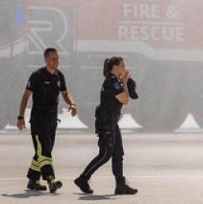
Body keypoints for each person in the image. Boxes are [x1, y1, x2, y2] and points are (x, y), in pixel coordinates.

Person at [73, 56, 139, 195]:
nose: (124, 69)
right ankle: (83, 178)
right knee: (105, 154)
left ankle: (120, 185)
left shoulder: (115, 81)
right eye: (122, 66)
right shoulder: (112, 82)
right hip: (106, 122)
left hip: (112, 122)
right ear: (115, 67)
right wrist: (125, 82)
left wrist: (124, 82)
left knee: (118, 153)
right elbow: (125, 99)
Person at [16, 48, 77, 193]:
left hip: (52, 121)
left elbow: (65, 92)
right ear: (46, 60)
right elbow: (25, 97)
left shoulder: (59, 76)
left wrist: (72, 104)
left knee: (43, 151)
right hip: (38, 121)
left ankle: (33, 180)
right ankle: (51, 179)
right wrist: (20, 117)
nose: (56, 61)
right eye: (53, 59)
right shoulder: (37, 76)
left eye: (57, 58)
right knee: (44, 151)